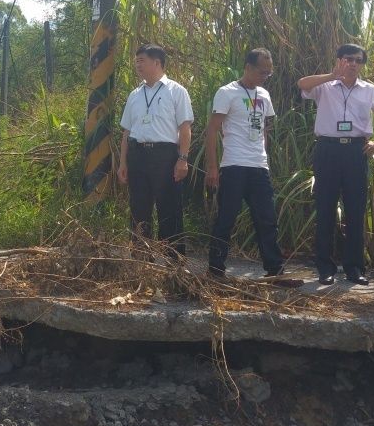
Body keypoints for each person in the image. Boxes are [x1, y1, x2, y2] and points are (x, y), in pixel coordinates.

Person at [297, 44, 374, 285]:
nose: (353, 64)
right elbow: (302, 84)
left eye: (358, 60)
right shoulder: (325, 86)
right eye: (348, 59)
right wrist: (332, 75)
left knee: (356, 210)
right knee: (325, 208)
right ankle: (325, 268)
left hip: (355, 151)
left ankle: (354, 268)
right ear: (339, 60)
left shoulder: (370, 90)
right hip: (327, 149)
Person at [205, 48, 283, 277]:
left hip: (258, 166)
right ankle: (216, 268)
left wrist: (264, 157)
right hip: (234, 165)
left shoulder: (264, 95)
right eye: (262, 72)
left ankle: (275, 269)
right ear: (248, 67)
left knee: (267, 218)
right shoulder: (227, 92)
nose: (265, 77)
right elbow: (212, 130)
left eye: (269, 73)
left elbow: (263, 129)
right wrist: (212, 167)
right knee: (226, 217)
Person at [117, 44, 193, 257]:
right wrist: (123, 163)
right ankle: (141, 261)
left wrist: (183, 159)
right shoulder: (135, 94)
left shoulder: (176, 91)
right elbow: (126, 132)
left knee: (169, 209)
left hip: (165, 156)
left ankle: (173, 263)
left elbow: (185, 128)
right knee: (138, 210)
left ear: (157, 62)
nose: (137, 64)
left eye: (142, 60)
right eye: (136, 61)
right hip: (137, 155)